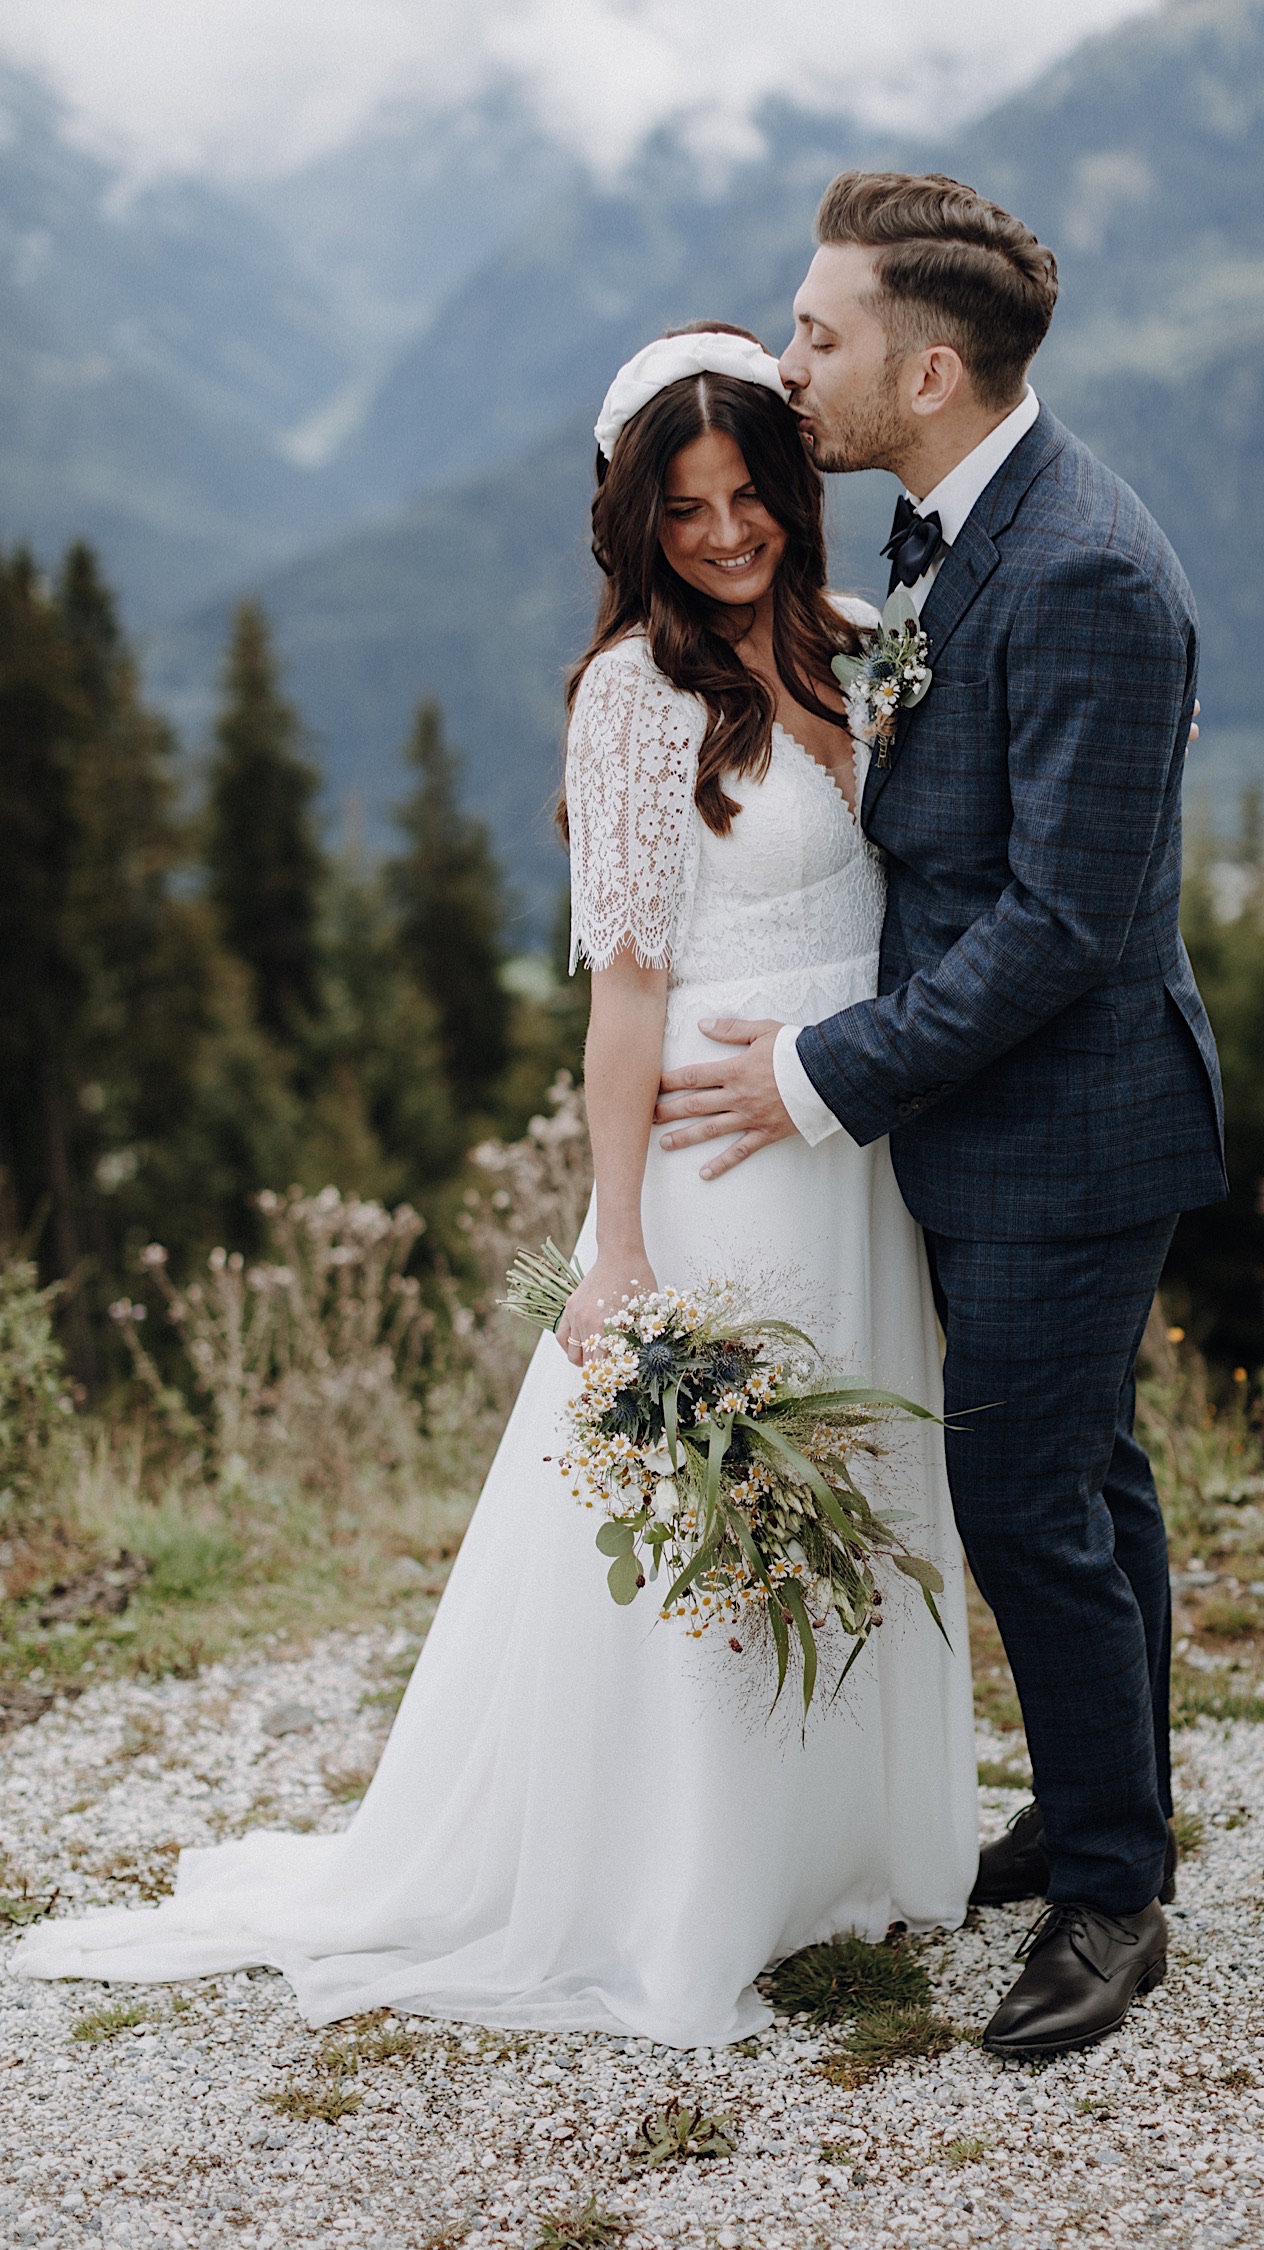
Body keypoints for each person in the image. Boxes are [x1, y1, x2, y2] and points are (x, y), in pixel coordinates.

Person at [15, 323, 977, 2049]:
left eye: (750, 492)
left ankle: (852, 1846)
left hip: (862, 1135)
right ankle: (698, 1876)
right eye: (683, 510)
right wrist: (610, 1248)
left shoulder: (864, 647)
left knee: (871, 1460)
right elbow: (622, 986)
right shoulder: (635, 698)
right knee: (725, 1515)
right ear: (634, 524)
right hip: (718, 1155)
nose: (727, 533)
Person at [654, 174, 1228, 2058]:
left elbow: (1066, 925)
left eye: (815, 336)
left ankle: (1112, 1898)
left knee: (1021, 1497)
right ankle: (1099, 1807)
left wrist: (822, 1073)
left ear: (928, 366)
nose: (785, 355)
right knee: (1092, 1478)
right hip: (996, 1127)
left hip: (1072, 1128)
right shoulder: (943, 524)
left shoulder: (1084, 571)